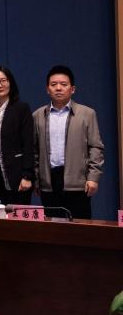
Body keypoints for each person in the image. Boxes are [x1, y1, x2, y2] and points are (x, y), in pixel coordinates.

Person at [32, 65, 104, 220]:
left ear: (72, 89)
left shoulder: (87, 114)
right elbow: (34, 151)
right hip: (49, 182)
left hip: (78, 181)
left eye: (63, 84)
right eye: (53, 84)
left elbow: (96, 147)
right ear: (47, 89)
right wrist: (37, 180)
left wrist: (93, 177)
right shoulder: (38, 115)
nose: (58, 88)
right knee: (52, 227)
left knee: (80, 227)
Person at [0, 65, 33, 206]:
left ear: (11, 83)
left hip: (16, 174)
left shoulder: (21, 108)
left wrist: (27, 175)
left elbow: (28, 143)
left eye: (3, 80)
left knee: (17, 216)